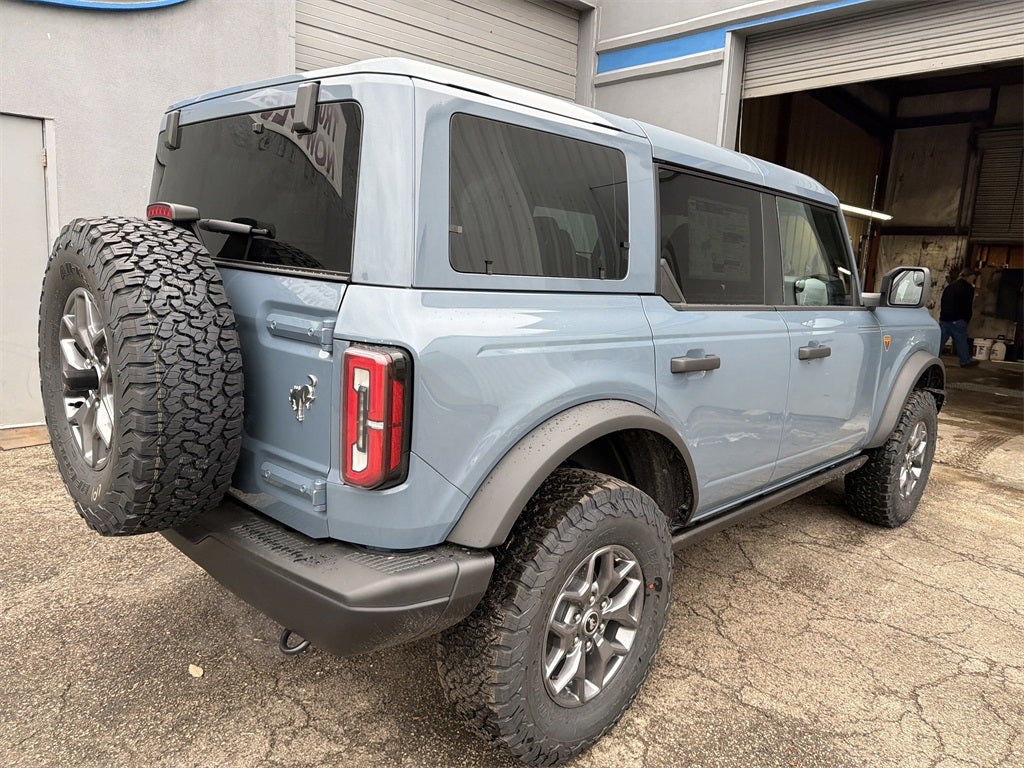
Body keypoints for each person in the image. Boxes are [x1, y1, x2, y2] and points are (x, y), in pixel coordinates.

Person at [939, 267, 979, 367]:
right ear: (969, 277)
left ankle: (933, 357)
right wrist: (966, 319)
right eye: (973, 278)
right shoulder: (968, 288)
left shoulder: (950, 287)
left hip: (945, 318)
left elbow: (943, 301)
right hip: (958, 318)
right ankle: (965, 361)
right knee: (961, 340)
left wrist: (943, 315)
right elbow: (967, 305)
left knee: (940, 340)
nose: (973, 280)